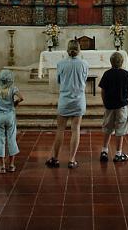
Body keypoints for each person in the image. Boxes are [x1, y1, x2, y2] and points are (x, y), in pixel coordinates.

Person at [45, 39, 89, 169]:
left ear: (67, 50)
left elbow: (59, 80)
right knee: (75, 130)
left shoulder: (61, 64)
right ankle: (71, 160)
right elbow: (85, 79)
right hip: (78, 100)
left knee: (60, 130)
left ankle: (55, 158)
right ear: (79, 50)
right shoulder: (84, 64)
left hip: (64, 100)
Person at [99, 51, 128, 162]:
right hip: (122, 105)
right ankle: (118, 153)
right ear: (122, 62)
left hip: (109, 105)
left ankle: (104, 151)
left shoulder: (107, 74)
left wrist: (105, 102)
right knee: (121, 129)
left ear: (111, 62)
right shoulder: (125, 74)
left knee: (107, 128)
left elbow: (103, 91)